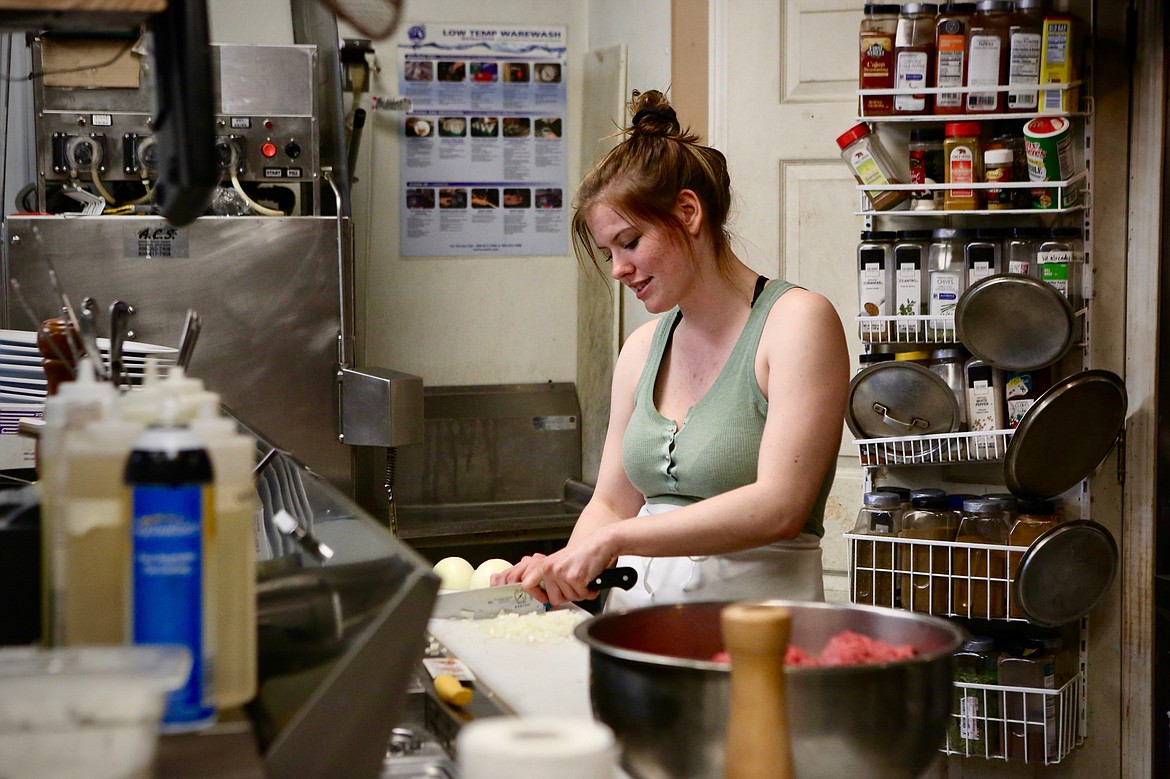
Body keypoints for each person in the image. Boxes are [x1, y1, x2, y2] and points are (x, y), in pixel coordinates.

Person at [495, 89, 850, 609]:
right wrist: (564, 566)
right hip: (637, 632)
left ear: (687, 212)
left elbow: (780, 507)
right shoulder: (642, 349)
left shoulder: (796, 322)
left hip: (761, 634)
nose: (618, 269)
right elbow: (613, 503)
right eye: (608, 252)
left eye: (630, 242)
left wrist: (617, 541)